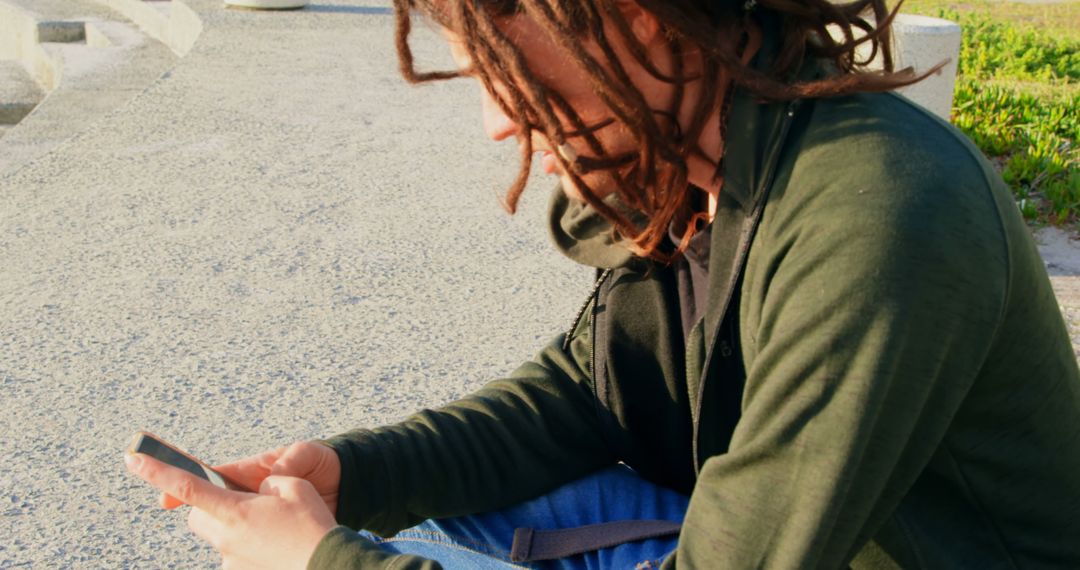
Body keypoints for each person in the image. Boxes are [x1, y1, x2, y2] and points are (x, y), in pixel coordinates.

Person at [125, 0, 1080, 567]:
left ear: (633, 24)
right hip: (745, 535)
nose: (499, 125)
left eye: (502, 70)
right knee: (437, 509)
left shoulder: (878, 212)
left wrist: (328, 560)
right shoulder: (700, 169)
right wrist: (356, 476)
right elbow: (583, 400)